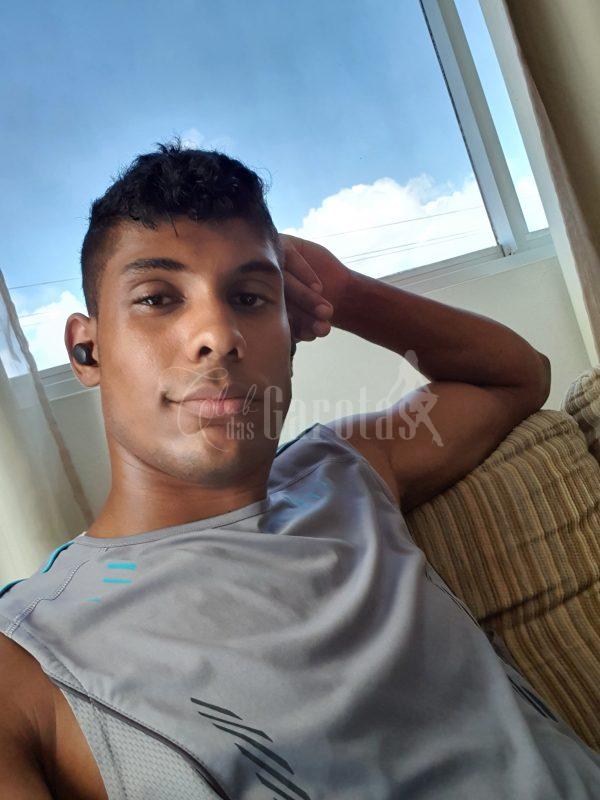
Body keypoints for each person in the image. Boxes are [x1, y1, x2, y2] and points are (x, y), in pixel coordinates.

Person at [0, 138, 598, 800]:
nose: (218, 335)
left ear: (292, 336)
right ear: (86, 350)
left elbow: (517, 377)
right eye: (158, 298)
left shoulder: (346, 467)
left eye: (249, 297)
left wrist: (341, 292)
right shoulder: (27, 654)